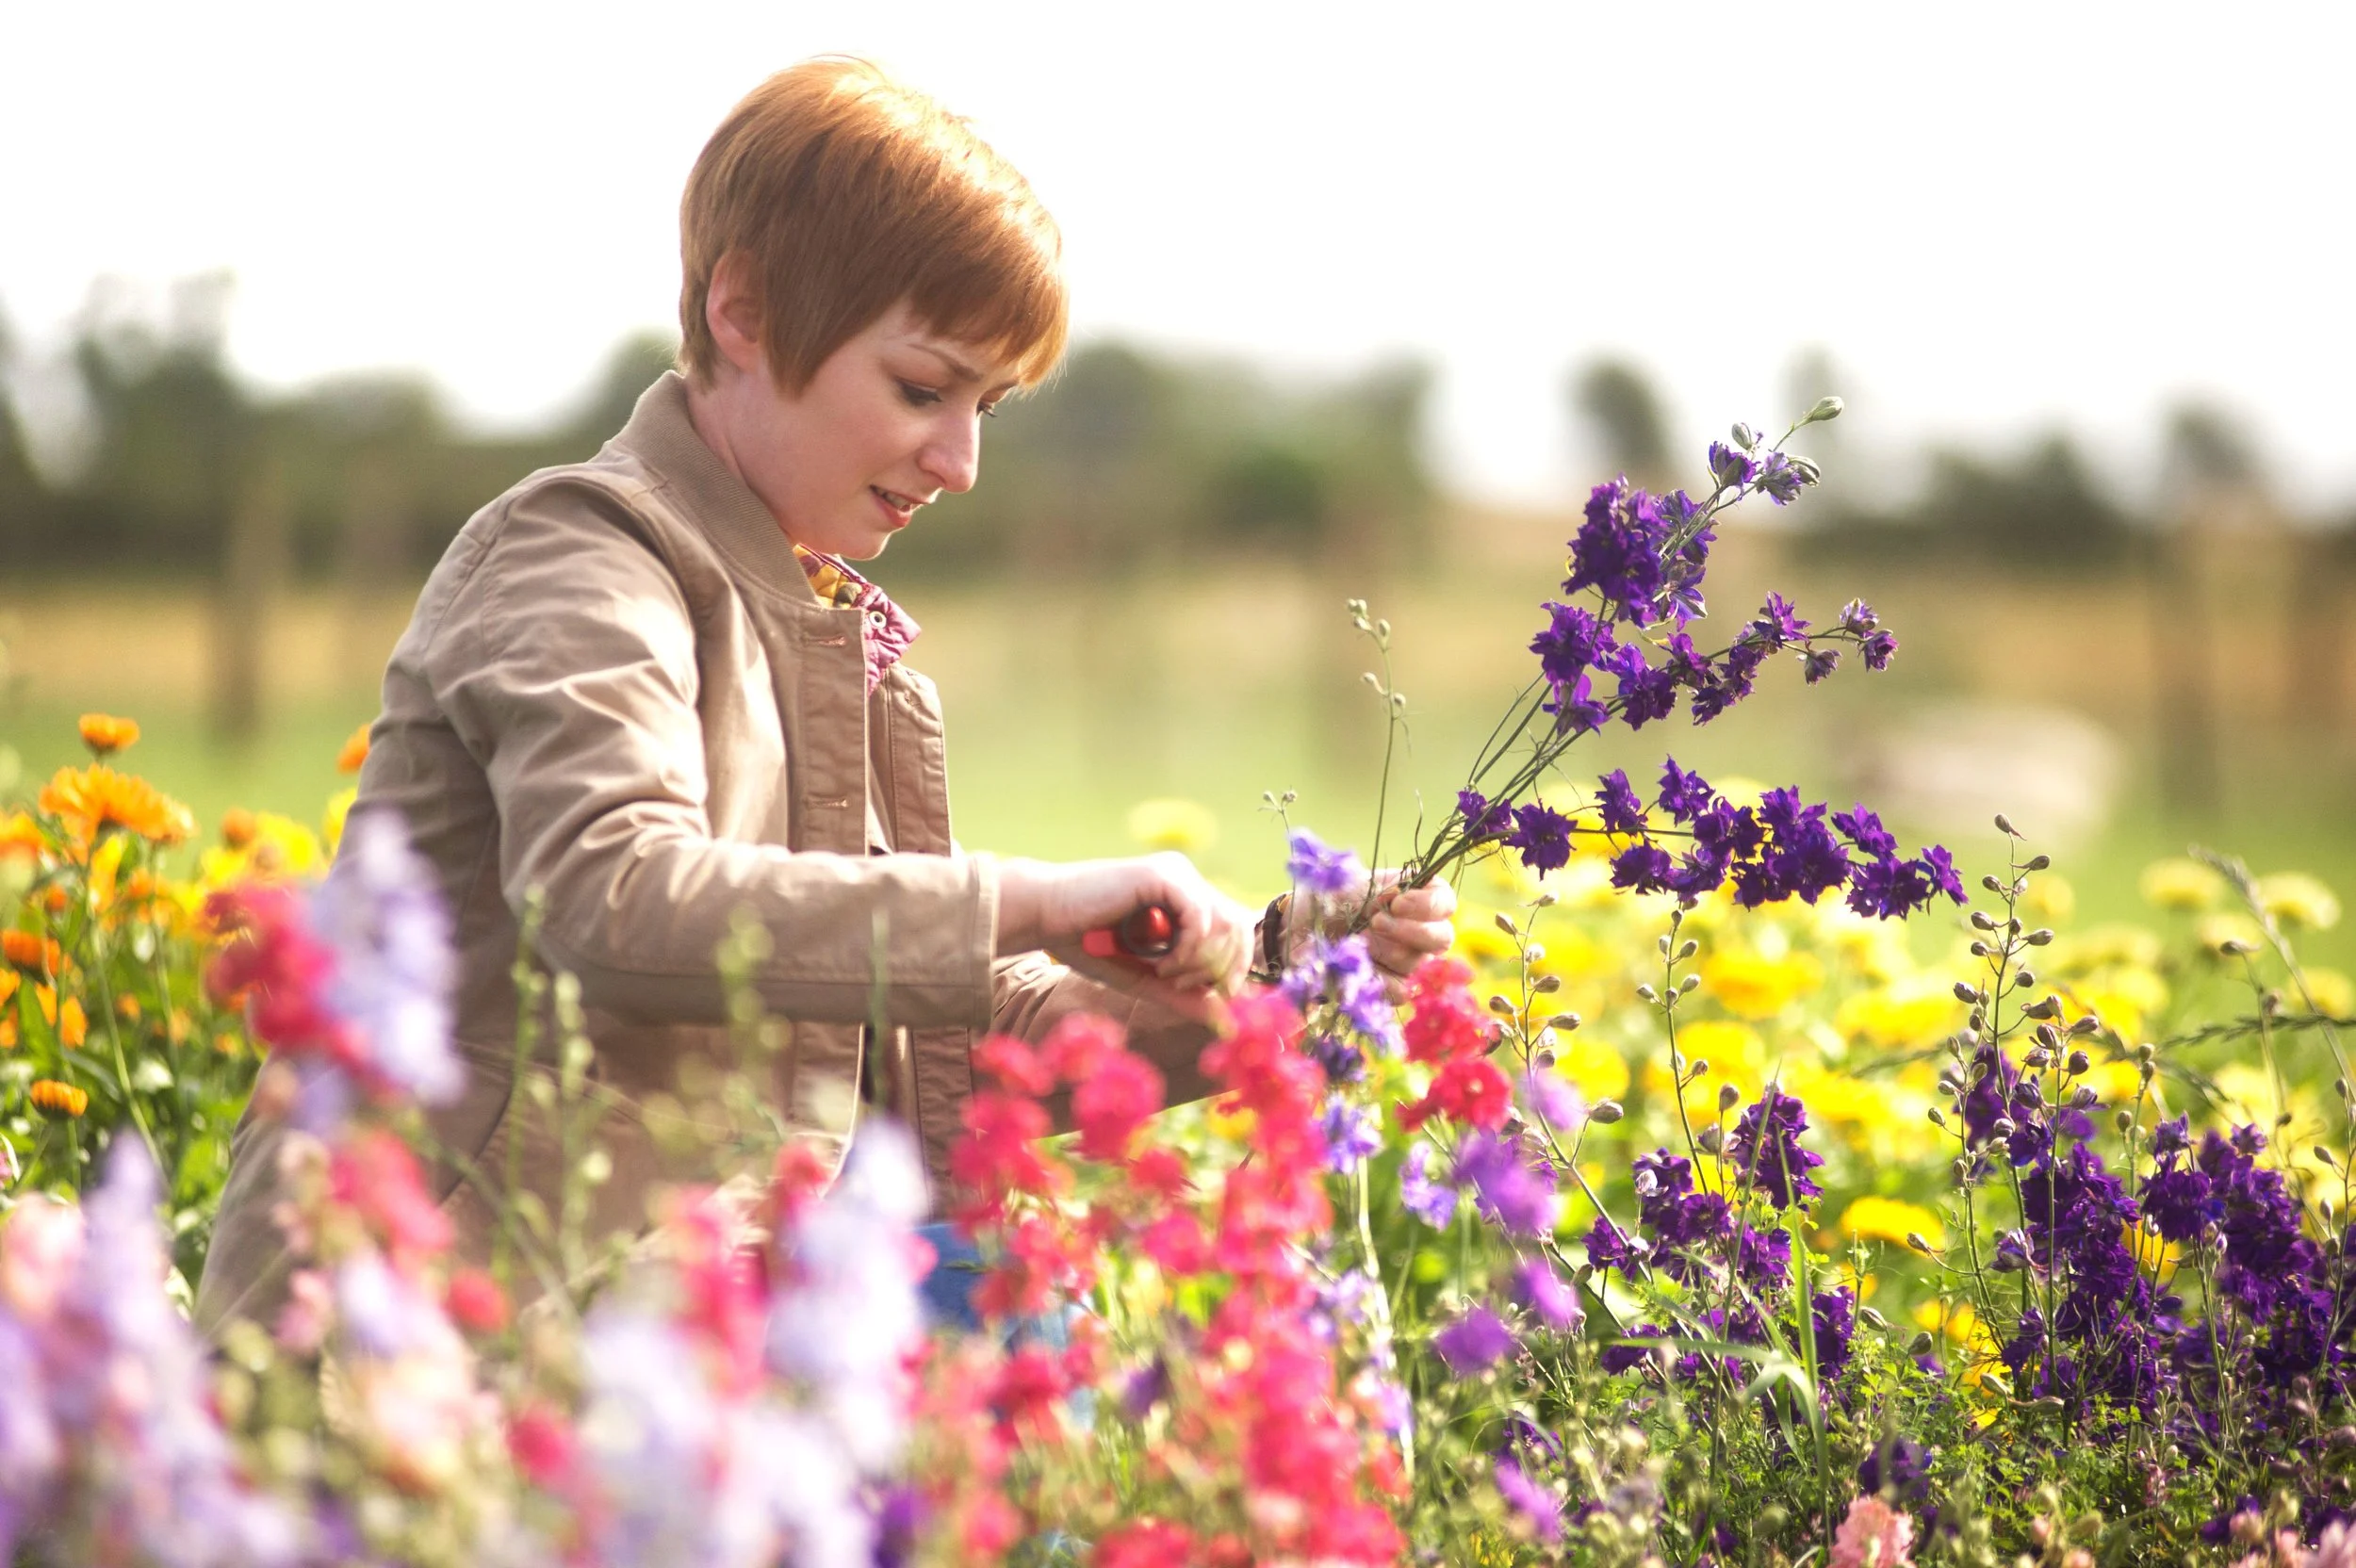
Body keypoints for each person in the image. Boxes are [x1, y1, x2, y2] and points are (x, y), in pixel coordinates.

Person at [196, 57, 1455, 1337]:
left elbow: (952, 1051)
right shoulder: (579, 553)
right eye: (922, 389)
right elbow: (611, 892)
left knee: (1009, 1314)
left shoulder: (820, 622)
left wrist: (1286, 972)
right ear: (743, 310)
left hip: (667, 1346)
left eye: (987, 406)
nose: (962, 462)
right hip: (414, 1344)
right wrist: (1028, 898)